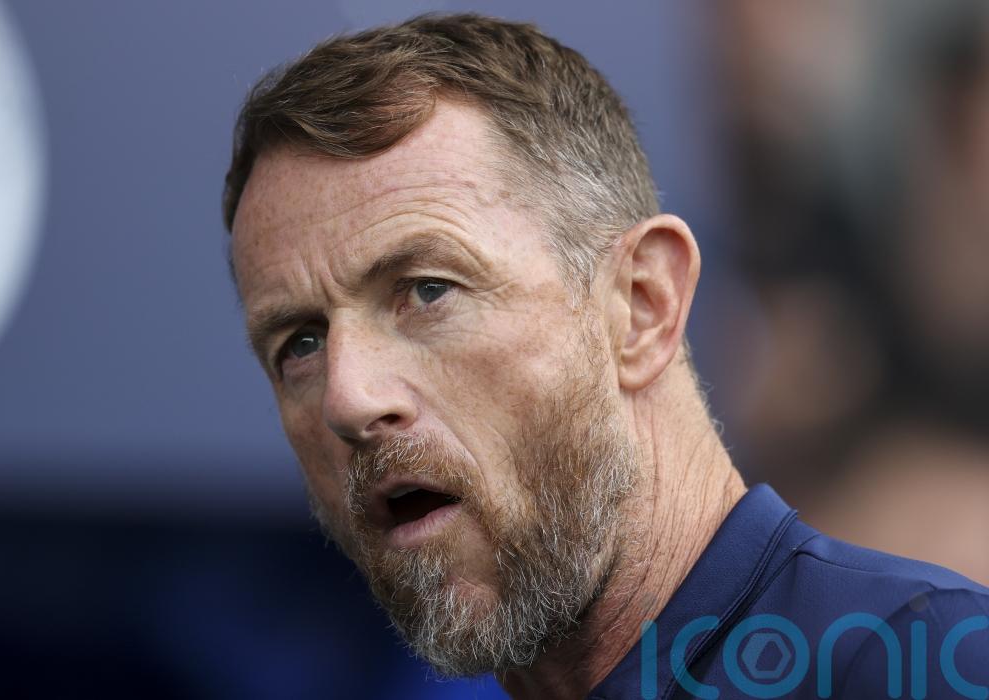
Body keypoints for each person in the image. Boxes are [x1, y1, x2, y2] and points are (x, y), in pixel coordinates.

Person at [222, 13, 989, 699]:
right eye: (301, 344)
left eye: (428, 290)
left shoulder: (928, 662)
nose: (348, 397)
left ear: (643, 306)